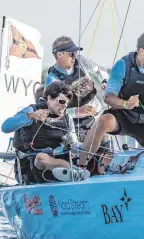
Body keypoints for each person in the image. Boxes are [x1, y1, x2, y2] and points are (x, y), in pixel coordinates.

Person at [79, 32, 144, 167]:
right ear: (142, 51)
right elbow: (108, 97)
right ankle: (80, 167)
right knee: (103, 121)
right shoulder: (123, 65)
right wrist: (125, 104)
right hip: (122, 116)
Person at [46, 36, 112, 174]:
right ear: (59, 55)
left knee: (106, 154)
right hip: (74, 126)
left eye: (75, 52)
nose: (74, 56)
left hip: (94, 119)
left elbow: (99, 70)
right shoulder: (52, 79)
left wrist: (105, 81)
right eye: (71, 53)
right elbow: (53, 110)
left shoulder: (80, 61)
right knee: (84, 162)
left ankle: (107, 177)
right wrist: (77, 111)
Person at [2, 81, 90, 183]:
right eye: (61, 101)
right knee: (41, 157)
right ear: (49, 98)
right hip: (31, 168)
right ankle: (77, 173)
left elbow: (74, 145)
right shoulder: (31, 110)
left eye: (66, 103)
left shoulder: (67, 118)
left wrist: (87, 147)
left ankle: (77, 173)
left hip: (61, 164)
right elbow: (5, 127)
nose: (64, 106)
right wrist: (30, 116)